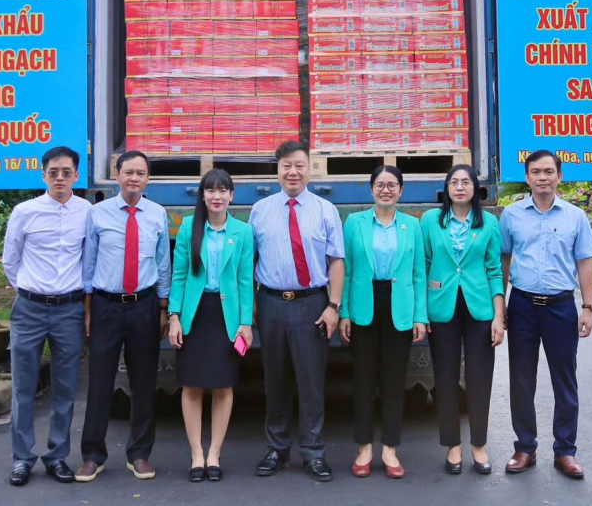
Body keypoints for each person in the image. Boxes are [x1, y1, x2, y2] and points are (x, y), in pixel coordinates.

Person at [500, 150, 592, 480]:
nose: (542, 177)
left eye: (548, 171)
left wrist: (587, 307)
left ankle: (565, 451)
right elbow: (502, 261)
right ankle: (525, 447)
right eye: (535, 172)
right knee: (521, 380)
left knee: (565, 380)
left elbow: (585, 261)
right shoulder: (511, 216)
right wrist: (499, 309)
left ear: (559, 176)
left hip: (560, 308)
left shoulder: (574, 217)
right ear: (526, 177)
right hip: (523, 307)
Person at [249, 140, 345, 482]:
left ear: (309, 168)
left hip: (312, 305)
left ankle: (313, 451)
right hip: (271, 303)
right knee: (274, 380)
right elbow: (251, 263)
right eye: (286, 165)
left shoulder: (325, 210)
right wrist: (251, 310)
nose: (293, 171)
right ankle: (277, 448)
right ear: (277, 169)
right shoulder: (260, 210)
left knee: (311, 381)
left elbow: (336, 262)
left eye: (299, 165)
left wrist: (334, 306)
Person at [76, 151, 171, 483]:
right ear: (117, 175)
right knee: (100, 381)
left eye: (140, 173)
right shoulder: (97, 214)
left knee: (144, 382)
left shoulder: (158, 215)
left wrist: (162, 310)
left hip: (144, 306)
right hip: (105, 306)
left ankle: (140, 454)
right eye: (128, 172)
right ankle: (92, 456)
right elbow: (88, 265)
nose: (134, 178)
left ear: (147, 179)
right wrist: (88, 310)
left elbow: (162, 266)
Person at [1, 146, 90, 487]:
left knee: (65, 388)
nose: (60, 178)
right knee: (23, 387)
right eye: (53, 172)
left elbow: (88, 260)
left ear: (76, 175)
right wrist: (31, 290)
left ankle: (57, 456)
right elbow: (11, 260)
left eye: (66, 172)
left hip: (69, 309)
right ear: (43, 175)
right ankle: (22, 458)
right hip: (29, 309)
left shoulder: (87, 212)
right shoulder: (25, 212)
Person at [338, 166, 427, 479]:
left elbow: (418, 273)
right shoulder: (355, 223)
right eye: (380, 184)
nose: (386, 189)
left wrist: (420, 316)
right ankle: (364, 447)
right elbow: (346, 270)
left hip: (399, 306)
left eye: (392, 185)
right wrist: (344, 312)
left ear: (401, 190)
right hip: (364, 304)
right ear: (371, 189)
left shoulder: (411, 226)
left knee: (393, 381)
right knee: (363, 381)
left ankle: (390, 448)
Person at [168, 169, 255, 483]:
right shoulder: (191, 226)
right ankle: (196, 453)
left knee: (223, 385)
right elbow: (179, 275)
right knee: (191, 385)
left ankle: (215, 452)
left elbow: (246, 280)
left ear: (232, 195)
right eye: (210, 190)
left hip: (226, 315)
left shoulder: (243, 232)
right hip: (195, 313)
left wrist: (246, 322)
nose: (216, 196)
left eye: (223, 190)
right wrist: (174, 316)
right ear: (202, 195)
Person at [421, 164, 504, 476]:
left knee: (480, 378)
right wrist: (420, 311)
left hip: (480, 308)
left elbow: (495, 270)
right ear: (446, 188)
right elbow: (423, 264)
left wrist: (499, 316)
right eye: (453, 182)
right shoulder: (431, 220)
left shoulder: (489, 223)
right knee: (444, 377)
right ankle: (452, 445)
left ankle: (478, 444)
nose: (459, 187)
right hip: (441, 307)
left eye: (465, 182)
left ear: (474, 189)